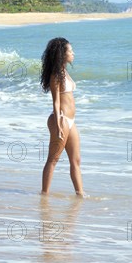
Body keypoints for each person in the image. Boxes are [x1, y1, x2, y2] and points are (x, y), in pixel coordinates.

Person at [40, 37, 86, 197]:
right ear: (62, 53)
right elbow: (56, 101)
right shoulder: (56, 75)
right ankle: (44, 195)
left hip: (71, 121)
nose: (73, 53)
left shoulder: (64, 71)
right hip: (61, 119)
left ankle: (80, 194)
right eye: (70, 51)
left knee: (76, 160)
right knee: (53, 159)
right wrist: (59, 125)